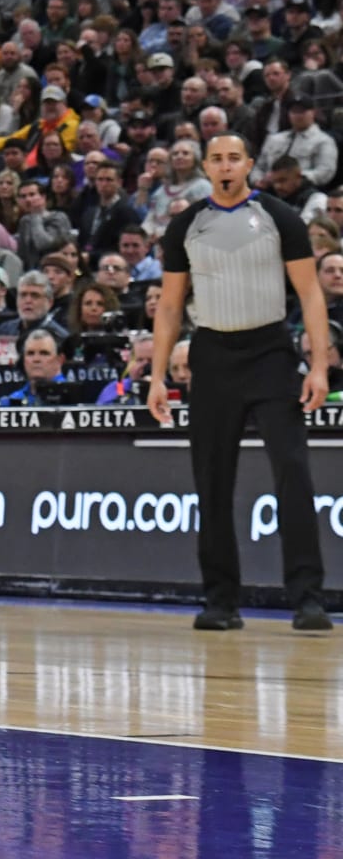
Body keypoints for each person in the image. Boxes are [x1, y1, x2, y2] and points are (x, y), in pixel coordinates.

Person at [149, 132, 333, 632]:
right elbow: (169, 306)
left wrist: (318, 365)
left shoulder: (279, 217)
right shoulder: (187, 224)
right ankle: (220, 601)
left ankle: (308, 597)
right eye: (218, 159)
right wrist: (158, 375)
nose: (226, 166)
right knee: (211, 482)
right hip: (212, 357)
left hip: (272, 353)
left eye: (235, 158)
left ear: (249, 164)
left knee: (293, 473)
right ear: (206, 167)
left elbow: (310, 294)